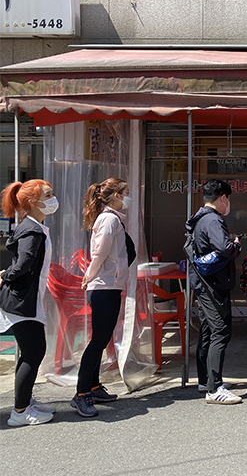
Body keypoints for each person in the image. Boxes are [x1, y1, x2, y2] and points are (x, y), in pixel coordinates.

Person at [71, 178, 136, 418]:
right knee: (98, 339)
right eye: (126, 192)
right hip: (103, 286)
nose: (128, 196)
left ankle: (94, 387)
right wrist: (89, 276)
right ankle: (81, 394)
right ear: (116, 196)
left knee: (102, 337)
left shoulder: (112, 219)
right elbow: (100, 253)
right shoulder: (109, 219)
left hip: (109, 284)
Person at [0, 179, 58, 427]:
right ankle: (20, 411)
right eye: (48, 195)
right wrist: (6, 275)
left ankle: (24, 401)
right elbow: (23, 263)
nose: (53, 199)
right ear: (34, 202)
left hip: (25, 300)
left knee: (30, 352)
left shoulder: (33, 227)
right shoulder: (32, 230)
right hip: (22, 302)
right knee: (34, 352)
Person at [186, 179, 242, 404]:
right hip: (213, 284)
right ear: (223, 198)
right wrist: (236, 245)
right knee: (220, 331)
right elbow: (224, 248)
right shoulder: (213, 220)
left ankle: (205, 380)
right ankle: (215, 387)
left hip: (203, 282)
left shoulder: (199, 218)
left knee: (208, 331)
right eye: (229, 199)